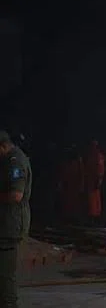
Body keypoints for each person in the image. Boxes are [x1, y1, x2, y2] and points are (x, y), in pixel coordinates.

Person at [0, 130, 32, 307]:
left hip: (10, 226)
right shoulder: (6, 160)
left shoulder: (15, 161)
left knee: (5, 277)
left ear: (3, 146)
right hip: (4, 224)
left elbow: (16, 195)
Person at [58, 146, 84, 225]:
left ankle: (73, 218)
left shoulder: (78, 162)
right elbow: (63, 174)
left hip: (74, 186)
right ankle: (67, 218)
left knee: (74, 203)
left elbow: (82, 175)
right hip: (68, 185)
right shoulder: (67, 163)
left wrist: (81, 186)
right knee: (67, 202)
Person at [82, 140, 106, 225]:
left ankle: (94, 219)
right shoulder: (91, 155)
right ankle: (92, 217)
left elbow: (100, 168)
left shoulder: (97, 156)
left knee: (94, 200)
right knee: (91, 200)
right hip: (90, 180)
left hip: (94, 181)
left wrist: (99, 179)